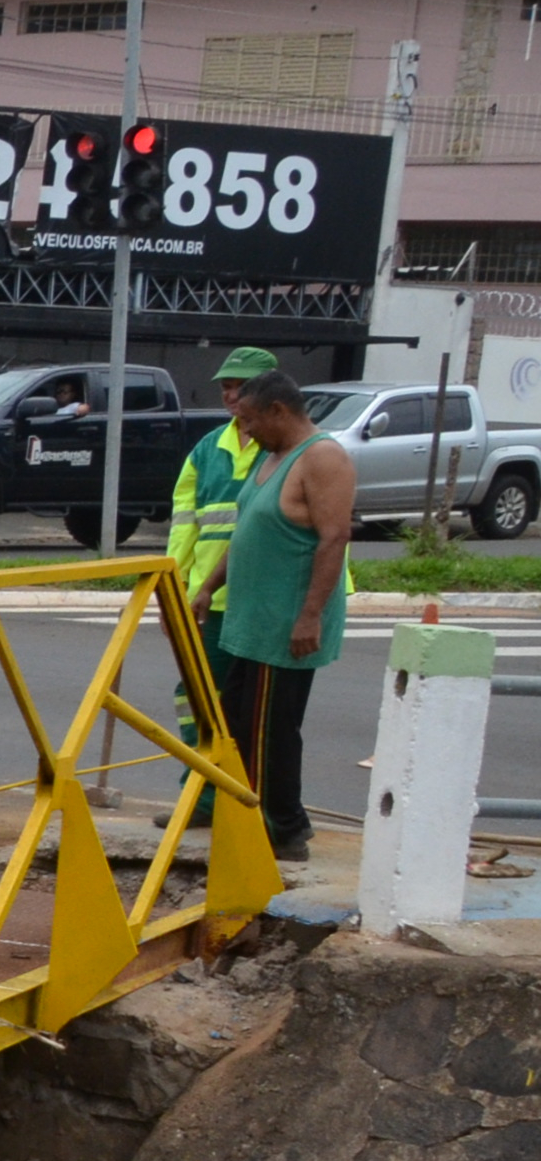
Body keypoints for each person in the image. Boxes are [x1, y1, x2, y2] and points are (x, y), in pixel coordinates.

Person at [194, 369, 354, 868]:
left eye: (249, 420)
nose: (245, 432)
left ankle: (283, 830)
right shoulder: (272, 456)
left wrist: (309, 616)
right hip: (250, 621)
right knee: (238, 722)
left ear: (278, 411)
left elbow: (333, 539)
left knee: (270, 731)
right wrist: (209, 586)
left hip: (284, 625)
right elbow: (249, 529)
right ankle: (259, 817)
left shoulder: (322, 458)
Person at [165, 347, 275, 762]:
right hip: (207, 601)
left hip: (261, 601)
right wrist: (171, 593)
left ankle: (238, 794)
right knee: (195, 694)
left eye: (240, 387)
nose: (231, 396)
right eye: (226, 387)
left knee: (249, 703)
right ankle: (203, 789)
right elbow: (183, 528)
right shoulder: (207, 450)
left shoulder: (281, 446)